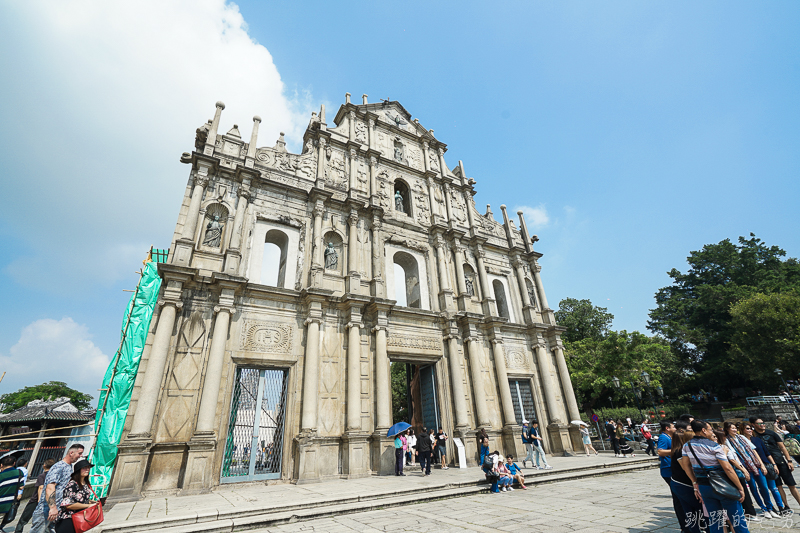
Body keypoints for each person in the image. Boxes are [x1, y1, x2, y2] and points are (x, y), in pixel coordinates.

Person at [680, 420, 750, 533]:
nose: (711, 432)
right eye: (710, 429)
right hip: (723, 485)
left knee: (715, 521)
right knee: (737, 519)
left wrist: (694, 482)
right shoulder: (714, 446)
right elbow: (727, 468)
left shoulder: (687, 446)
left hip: (704, 486)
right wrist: (740, 488)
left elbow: (686, 466)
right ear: (703, 430)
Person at [725, 421, 779, 519]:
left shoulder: (742, 437)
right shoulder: (727, 441)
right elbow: (733, 458)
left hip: (756, 465)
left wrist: (762, 465)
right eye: (732, 428)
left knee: (764, 487)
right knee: (753, 489)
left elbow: (754, 451)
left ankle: (770, 508)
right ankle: (764, 509)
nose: (734, 429)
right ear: (727, 429)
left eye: (735, 427)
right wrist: (743, 470)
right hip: (745, 467)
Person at [751, 417, 800, 514]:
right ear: (753, 424)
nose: (763, 424)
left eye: (763, 422)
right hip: (769, 465)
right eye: (760, 423)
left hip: (780, 461)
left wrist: (789, 460)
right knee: (778, 486)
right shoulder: (753, 436)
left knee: (791, 485)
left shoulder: (772, 433)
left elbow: (782, 447)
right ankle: (786, 506)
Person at [740, 421, 786, 517]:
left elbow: (767, 452)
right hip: (753, 467)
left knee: (773, 488)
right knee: (761, 488)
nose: (750, 430)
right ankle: (768, 508)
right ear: (743, 430)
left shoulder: (757, 440)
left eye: (750, 428)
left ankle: (780, 507)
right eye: (747, 428)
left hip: (766, 464)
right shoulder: (741, 442)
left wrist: (774, 464)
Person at [714, 429, 758, 518]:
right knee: (742, 492)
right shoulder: (723, 447)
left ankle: (747, 512)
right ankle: (748, 513)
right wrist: (743, 470)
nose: (725, 437)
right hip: (734, 472)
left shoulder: (723, 446)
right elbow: (733, 460)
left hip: (734, 472)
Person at [671, 429, 704, 533]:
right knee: (700, 508)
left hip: (677, 483)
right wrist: (695, 482)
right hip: (683, 485)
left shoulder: (677, 450)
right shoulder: (680, 451)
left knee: (689, 511)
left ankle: (693, 530)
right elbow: (686, 468)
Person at [55, 459, 99, 533]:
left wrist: (91, 502)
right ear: (78, 470)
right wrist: (88, 506)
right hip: (68, 520)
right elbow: (68, 505)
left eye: (88, 467)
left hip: (79, 519)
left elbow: (81, 499)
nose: (87, 469)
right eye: (84, 468)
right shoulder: (72, 484)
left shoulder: (85, 483)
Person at [658, 421, 687, 532]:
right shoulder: (663, 438)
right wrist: (677, 451)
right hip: (668, 470)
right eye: (673, 426)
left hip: (672, 468)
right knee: (678, 498)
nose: (675, 428)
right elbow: (660, 452)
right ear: (667, 428)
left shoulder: (669, 437)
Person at [15, 459, 55, 533]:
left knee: (24, 518)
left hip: (36, 499)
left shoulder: (42, 475)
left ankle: (18, 531)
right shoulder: (53, 476)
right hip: (49, 500)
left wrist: (39, 500)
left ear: (44, 466)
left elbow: (41, 487)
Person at [0, 455, 23, 527]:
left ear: (1, 465)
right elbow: (21, 487)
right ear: (14, 463)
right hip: (7, 504)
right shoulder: (19, 473)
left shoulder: (1, 475)